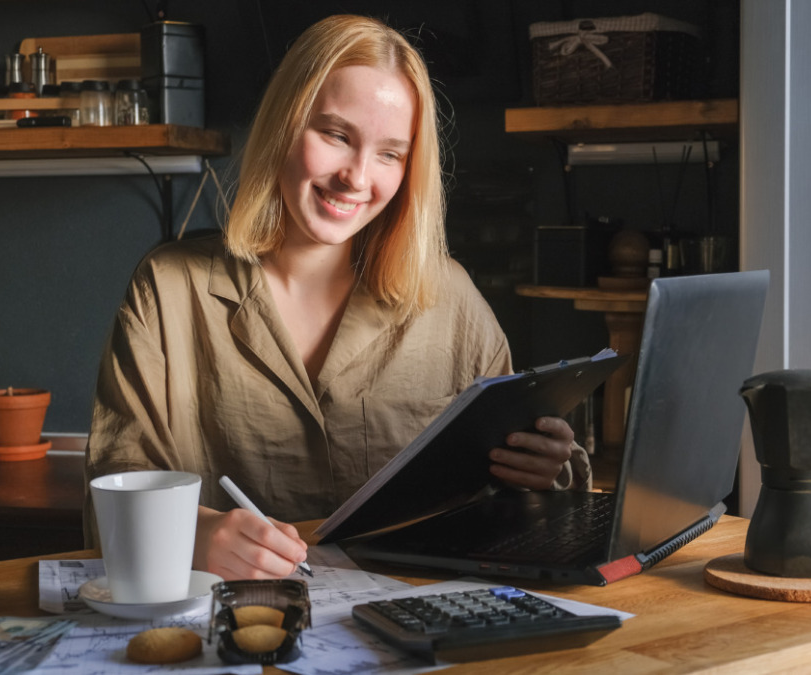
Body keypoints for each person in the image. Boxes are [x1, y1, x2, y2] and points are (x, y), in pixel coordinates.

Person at [84, 14, 591, 581]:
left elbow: (521, 481)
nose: (356, 177)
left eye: (390, 154)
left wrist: (546, 467)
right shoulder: (168, 286)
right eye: (335, 134)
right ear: (283, 125)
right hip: (242, 629)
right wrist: (194, 536)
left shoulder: (448, 292)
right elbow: (112, 490)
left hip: (416, 624)